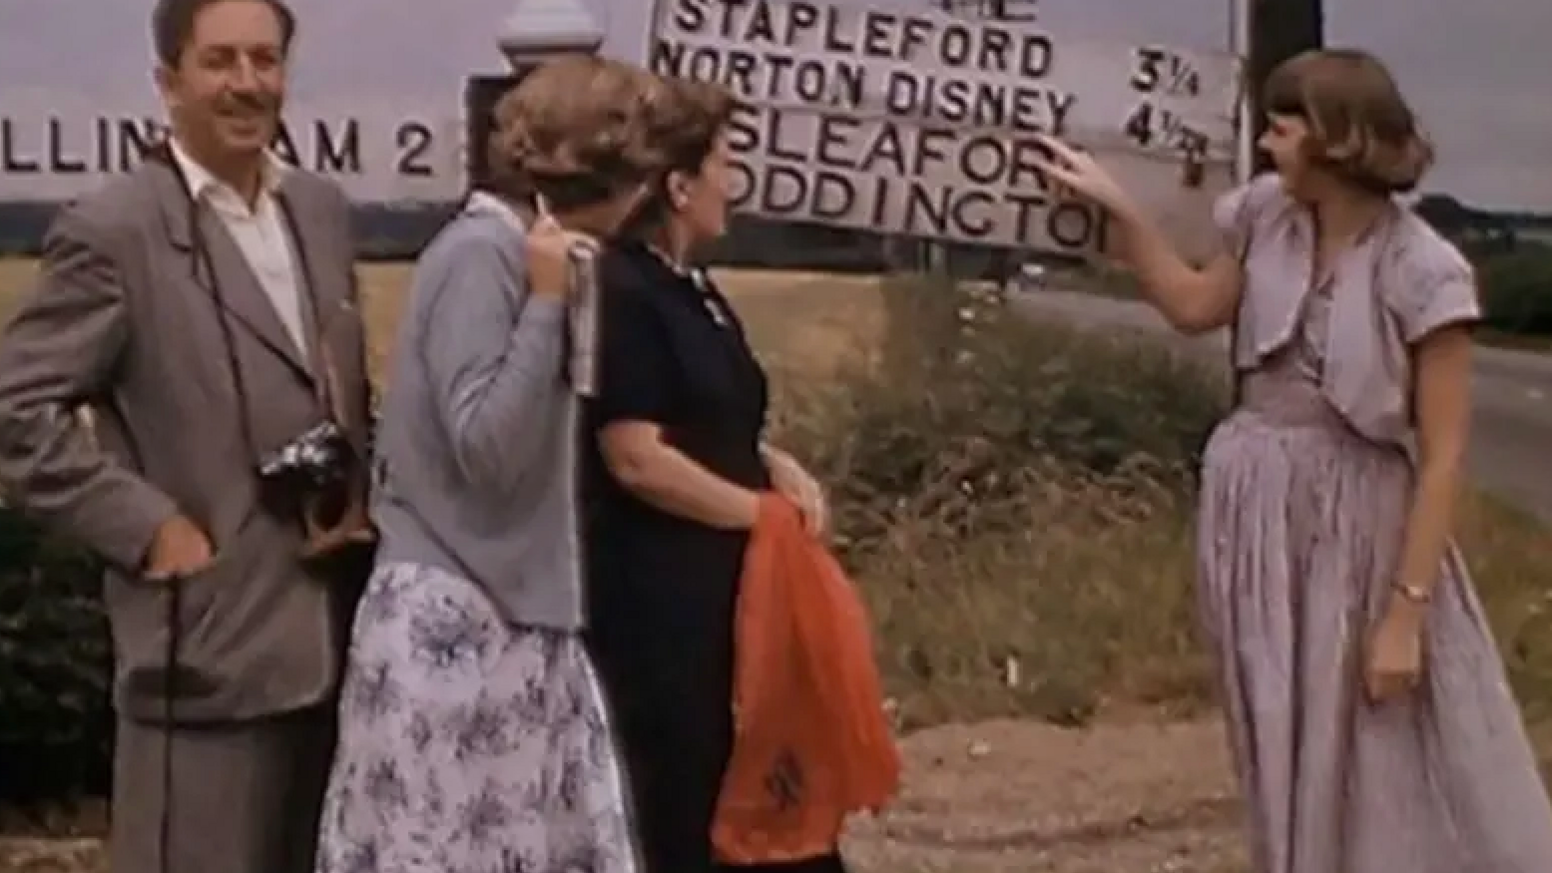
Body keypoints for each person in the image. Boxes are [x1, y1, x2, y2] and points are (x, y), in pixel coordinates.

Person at [1036, 48, 1552, 871]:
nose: (1268, 141)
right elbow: (1192, 305)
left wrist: (1406, 616)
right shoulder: (1266, 217)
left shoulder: (1422, 269)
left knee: (1383, 745)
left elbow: (1445, 452)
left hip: (1359, 525)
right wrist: (1119, 213)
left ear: (1337, 137)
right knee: (1278, 725)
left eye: (1283, 125)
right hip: (1254, 511)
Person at [0, 0, 375, 871]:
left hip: (331, 631)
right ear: (168, 82)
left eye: (265, 59)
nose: (247, 83)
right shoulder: (115, 229)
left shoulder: (319, 209)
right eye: (220, 62)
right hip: (202, 647)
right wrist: (151, 530)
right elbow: (16, 409)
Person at [312, 55, 677, 873]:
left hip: (518, 619)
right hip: (449, 625)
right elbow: (487, 448)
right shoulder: (482, 256)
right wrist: (546, 306)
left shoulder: (544, 255)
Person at [583, 79, 841, 873]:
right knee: (691, 805)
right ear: (678, 184)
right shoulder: (623, 290)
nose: (737, 183)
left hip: (730, 593)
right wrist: (760, 514)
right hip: (663, 602)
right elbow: (634, 454)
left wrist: (777, 467)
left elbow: (714, 417)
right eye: (726, 163)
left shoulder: (694, 291)